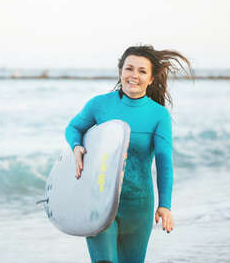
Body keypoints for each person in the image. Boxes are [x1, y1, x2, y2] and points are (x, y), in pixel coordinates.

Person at [65, 45, 194, 263]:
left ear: (151, 78)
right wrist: (76, 146)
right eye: (129, 68)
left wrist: (165, 205)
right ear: (120, 71)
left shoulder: (158, 115)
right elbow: (74, 127)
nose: (134, 75)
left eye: (142, 71)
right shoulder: (100, 104)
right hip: (98, 201)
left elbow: (164, 163)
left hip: (138, 205)